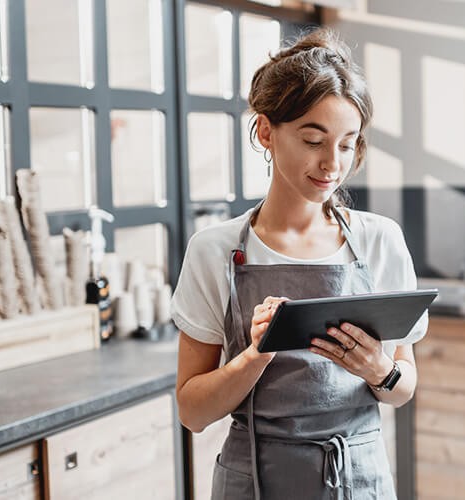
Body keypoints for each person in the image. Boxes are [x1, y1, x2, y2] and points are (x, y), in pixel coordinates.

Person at [172, 27, 428, 500]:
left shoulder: (380, 241)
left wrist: (378, 369)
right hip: (255, 482)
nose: (333, 164)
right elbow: (192, 412)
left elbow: (403, 386)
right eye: (313, 140)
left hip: (359, 479)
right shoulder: (215, 250)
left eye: (347, 144)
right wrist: (255, 356)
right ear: (266, 131)